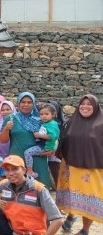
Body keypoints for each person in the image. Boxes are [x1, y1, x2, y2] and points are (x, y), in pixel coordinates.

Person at [0, 155, 63, 235]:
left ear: (24, 170)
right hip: (11, 228)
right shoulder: (2, 185)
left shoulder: (38, 189)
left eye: (15, 169)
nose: (11, 173)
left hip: (32, 233)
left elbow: (58, 220)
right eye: (7, 170)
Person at [56, 94, 103, 234]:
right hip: (70, 166)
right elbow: (63, 138)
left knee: (88, 198)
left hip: (92, 168)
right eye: (82, 104)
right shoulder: (72, 121)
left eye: (89, 104)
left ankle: (85, 229)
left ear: (95, 107)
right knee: (72, 194)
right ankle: (72, 215)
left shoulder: (101, 123)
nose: (85, 107)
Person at [0, 92, 52, 188]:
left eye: (29, 102)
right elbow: (3, 140)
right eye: (23, 102)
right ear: (18, 103)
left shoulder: (41, 119)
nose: (26, 105)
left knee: (40, 190)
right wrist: (6, 128)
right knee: (18, 189)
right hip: (17, 159)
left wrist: (53, 149)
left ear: (33, 103)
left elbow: (53, 134)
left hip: (38, 158)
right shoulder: (11, 118)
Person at [24, 103, 60, 178]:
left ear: (53, 115)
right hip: (46, 145)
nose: (44, 116)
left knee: (27, 152)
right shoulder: (47, 123)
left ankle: (30, 171)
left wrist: (39, 135)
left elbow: (52, 137)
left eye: (46, 114)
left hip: (45, 146)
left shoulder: (51, 124)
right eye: (41, 114)